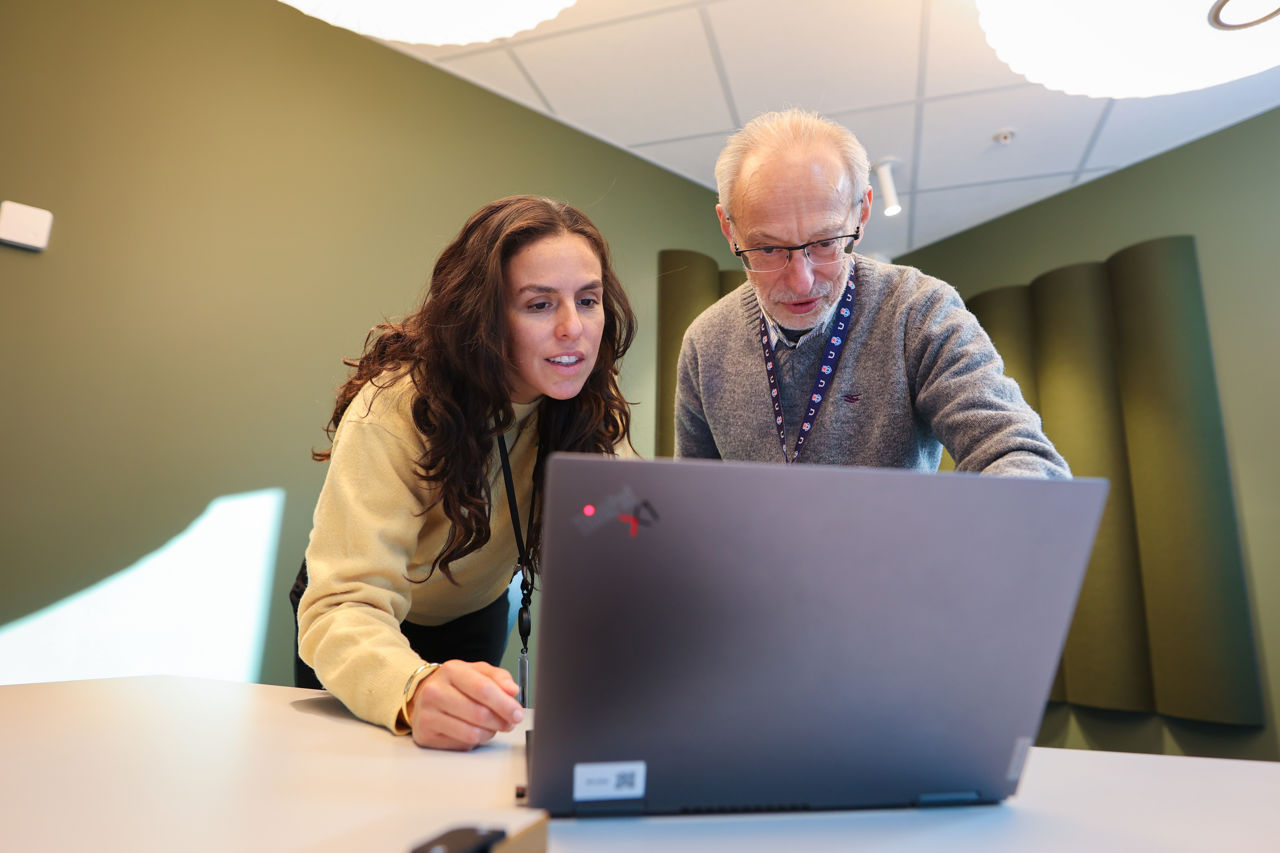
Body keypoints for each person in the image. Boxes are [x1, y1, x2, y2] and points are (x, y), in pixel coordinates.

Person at [293, 195, 636, 750]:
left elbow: (619, 539)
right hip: (358, 623)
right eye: (540, 304)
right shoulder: (395, 408)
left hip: (475, 612)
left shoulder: (586, 404)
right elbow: (342, 604)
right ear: (485, 316)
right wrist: (411, 687)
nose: (574, 328)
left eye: (588, 299)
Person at [676, 109, 1069, 477]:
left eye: (826, 242)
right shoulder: (705, 342)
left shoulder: (918, 309)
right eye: (767, 249)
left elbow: (1017, 453)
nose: (801, 281)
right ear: (729, 230)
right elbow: (693, 502)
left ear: (861, 212)